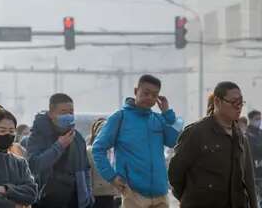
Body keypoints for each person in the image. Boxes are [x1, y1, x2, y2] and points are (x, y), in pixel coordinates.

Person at [92, 74, 178, 208]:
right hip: (133, 193)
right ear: (136, 91)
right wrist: (112, 177)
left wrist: (168, 114)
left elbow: (174, 142)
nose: (149, 98)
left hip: (160, 193)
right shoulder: (120, 117)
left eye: (154, 95)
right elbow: (98, 149)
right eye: (146, 93)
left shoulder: (158, 119)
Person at [169, 81, 258, 208]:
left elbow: (249, 181)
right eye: (233, 102)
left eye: (240, 102)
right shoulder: (197, 133)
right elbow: (175, 173)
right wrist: (191, 197)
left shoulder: (241, 138)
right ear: (217, 101)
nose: (238, 107)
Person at [28, 93, 93, 208]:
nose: (68, 115)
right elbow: (34, 165)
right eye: (63, 112)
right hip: (47, 200)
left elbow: (85, 168)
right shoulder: (39, 135)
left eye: (71, 112)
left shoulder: (77, 137)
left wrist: (88, 198)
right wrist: (59, 146)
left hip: (75, 201)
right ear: (51, 114)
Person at [87, 118, 117, 208]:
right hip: (96, 197)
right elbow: (87, 176)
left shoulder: (115, 151)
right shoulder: (89, 151)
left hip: (114, 196)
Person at [246, 109, 262, 205]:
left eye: (260, 118)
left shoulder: (260, 133)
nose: (259, 121)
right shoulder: (247, 134)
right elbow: (251, 150)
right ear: (251, 119)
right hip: (252, 172)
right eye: (257, 119)